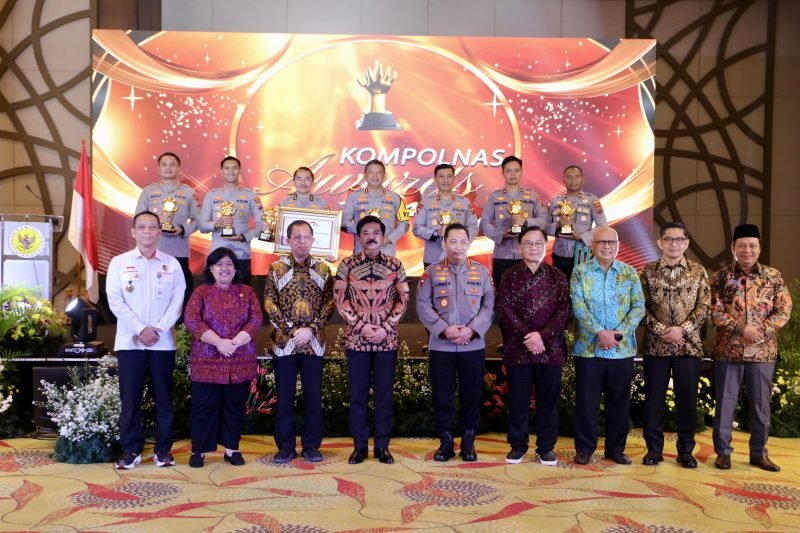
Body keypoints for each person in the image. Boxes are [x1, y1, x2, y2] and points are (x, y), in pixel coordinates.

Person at [106, 210, 186, 469]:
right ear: (133, 231)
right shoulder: (119, 262)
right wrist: (140, 329)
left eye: (152, 227)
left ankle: (163, 451)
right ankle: (131, 450)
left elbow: (177, 302)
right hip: (130, 342)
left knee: (164, 398)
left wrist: (158, 329)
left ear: (159, 233)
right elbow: (115, 300)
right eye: (142, 227)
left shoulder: (172, 264)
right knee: (130, 400)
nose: (148, 232)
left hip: (162, 344)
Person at [710, 224, 792, 472]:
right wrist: (740, 329)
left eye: (752, 245)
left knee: (760, 404)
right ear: (734, 248)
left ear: (759, 248)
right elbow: (714, 310)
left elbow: (784, 309)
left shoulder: (774, 276)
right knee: (725, 403)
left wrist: (761, 331)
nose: (747, 250)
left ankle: (759, 453)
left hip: (762, 352)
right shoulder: (720, 277)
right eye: (742, 245)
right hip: (728, 349)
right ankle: (723, 453)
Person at [335, 215, 409, 464]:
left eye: (376, 232)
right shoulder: (346, 265)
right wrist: (361, 326)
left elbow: (403, 300)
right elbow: (340, 300)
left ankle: (382, 447)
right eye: (365, 232)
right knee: (357, 396)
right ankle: (359, 447)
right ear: (359, 237)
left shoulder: (396, 265)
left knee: (383, 395)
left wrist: (385, 327)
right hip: (357, 340)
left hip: (386, 340)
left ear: (383, 235)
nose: (371, 236)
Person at [416, 223, 494, 462]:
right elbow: (422, 303)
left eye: (463, 242)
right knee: (443, 395)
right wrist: (444, 329)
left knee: (472, 395)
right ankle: (446, 441)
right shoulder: (432, 271)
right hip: (442, 345)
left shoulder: (482, 272)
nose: (458, 247)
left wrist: (471, 330)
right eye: (453, 242)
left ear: (469, 244)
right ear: (444, 244)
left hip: (472, 345)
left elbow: (489, 306)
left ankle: (469, 441)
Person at [570, 226, 645, 465]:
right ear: (592, 245)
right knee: (586, 403)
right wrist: (600, 333)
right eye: (601, 242)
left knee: (619, 403)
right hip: (588, 350)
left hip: (621, 351)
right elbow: (577, 305)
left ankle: (615, 449)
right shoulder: (580, 272)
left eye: (611, 243)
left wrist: (617, 334)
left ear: (618, 245)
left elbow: (638, 307)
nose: (606, 247)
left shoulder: (629, 272)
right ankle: (584, 449)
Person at [183, 247, 263, 468]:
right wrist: (219, 343)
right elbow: (191, 320)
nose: (224, 268)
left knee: (234, 407)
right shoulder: (201, 292)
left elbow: (256, 320)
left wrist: (234, 343)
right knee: (203, 407)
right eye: (219, 264)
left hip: (239, 360)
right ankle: (199, 451)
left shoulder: (247, 292)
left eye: (229, 264)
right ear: (211, 268)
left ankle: (231, 449)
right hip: (207, 361)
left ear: (236, 268)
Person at [639, 222, 710, 468]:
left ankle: (685, 452)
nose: (674, 244)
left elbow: (704, 306)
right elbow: (641, 307)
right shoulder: (647, 271)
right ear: (660, 243)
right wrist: (662, 331)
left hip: (688, 347)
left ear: (687, 242)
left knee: (687, 402)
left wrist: (683, 330)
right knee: (654, 401)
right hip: (655, 348)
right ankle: (653, 450)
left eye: (679, 239)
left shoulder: (698, 271)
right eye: (669, 239)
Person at [498, 226, 570, 465]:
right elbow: (505, 310)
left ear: (545, 246)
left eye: (538, 243)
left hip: (550, 349)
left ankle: (545, 447)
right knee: (517, 401)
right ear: (520, 246)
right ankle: (517, 446)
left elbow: (563, 312)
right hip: (519, 349)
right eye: (528, 243)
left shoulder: (558, 276)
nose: (533, 248)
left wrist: (543, 336)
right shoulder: (508, 276)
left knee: (548, 402)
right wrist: (529, 336)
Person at [264, 220, 335, 464]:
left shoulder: (324, 269)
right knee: (284, 398)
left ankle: (311, 446)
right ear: (288, 240)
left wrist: (311, 329)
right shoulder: (276, 268)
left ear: (313, 240)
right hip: (285, 343)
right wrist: (293, 330)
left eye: (306, 237)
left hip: (314, 343)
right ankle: (284, 447)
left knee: (313, 397)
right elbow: (269, 303)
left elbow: (329, 304)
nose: (302, 241)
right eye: (297, 237)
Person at [135, 152, 200, 303]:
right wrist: (157, 225)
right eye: (164, 164)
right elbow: (138, 220)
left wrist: (182, 229)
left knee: (180, 292)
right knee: (152, 291)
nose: (168, 168)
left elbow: (197, 221)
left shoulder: (189, 193)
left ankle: (180, 325)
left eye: (172, 164)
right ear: (158, 168)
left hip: (178, 250)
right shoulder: (148, 192)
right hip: (152, 250)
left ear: (179, 168)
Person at [479, 155, 547, 289]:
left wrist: (526, 222)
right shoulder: (494, 196)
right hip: (502, 256)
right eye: (509, 171)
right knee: (503, 297)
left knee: (531, 295)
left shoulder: (532, 195)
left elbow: (544, 220)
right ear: (502, 173)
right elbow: (484, 223)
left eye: (516, 170)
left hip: (529, 255)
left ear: (521, 172)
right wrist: (500, 235)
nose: (513, 174)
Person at [198, 156, 263, 283]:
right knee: (215, 298)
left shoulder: (252, 196)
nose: (231, 171)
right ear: (221, 171)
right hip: (217, 256)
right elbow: (202, 226)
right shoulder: (211, 195)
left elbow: (263, 224)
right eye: (227, 168)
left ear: (239, 170)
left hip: (242, 254)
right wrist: (217, 224)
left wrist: (245, 236)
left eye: (234, 168)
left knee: (242, 297)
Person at [546, 165, 607, 280]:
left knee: (582, 293)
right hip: (560, 256)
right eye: (569, 177)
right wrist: (558, 226)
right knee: (561, 292)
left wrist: (581, 236)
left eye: (576, 177)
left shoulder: (592, 201)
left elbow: (603, 226)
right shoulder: (555, 202)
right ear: (563, 180)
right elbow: (544, 227)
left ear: (583, 180)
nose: (573, 180)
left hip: (583, 254)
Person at [413, 164, 478, 268]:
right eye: (441, 176)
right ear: (435, 179)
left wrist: (462, 245)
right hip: (433, 258)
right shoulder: (426, 202)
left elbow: (473, 227)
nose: (445, 180)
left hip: (458, 258)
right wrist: (435, 233)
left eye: (449, 176)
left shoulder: (464, 202)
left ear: (453, 178)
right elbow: (416, 229)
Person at [342, 159, 409, 257]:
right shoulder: (354, 196)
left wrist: (389, 238)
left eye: (379, 172)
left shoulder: (396, 198)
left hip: (387, 254)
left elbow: (405, 224)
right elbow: (343, 223)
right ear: (365, 175)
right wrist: (363, 231)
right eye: (371, 172)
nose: (375, 176)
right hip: (361, 253)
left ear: (384, 176)